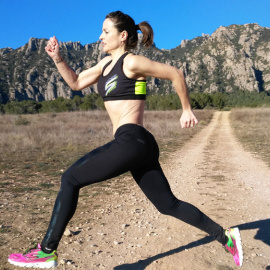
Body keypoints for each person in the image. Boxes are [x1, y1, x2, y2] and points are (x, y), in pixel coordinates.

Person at [8, 11, 243, 268]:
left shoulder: (131, 63)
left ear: (122, 36)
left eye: (105, 31)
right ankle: (226, 237)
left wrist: (186, 109)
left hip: (132, 139)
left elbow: (175, 73)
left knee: (70, 178)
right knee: (168, 205)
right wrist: (58, 59)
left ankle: (46, 250)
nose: (100, 36)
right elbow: (75, 83)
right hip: (137, 144)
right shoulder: (104, 65)